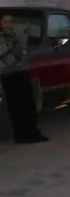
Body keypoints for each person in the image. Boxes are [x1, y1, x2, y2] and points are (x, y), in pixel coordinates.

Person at [0, 14, 48, 144]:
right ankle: (21, 136)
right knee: (16, 107)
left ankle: (32, 132)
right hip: (9, 74)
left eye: (10, 22)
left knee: (29, 105)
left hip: (22, 72)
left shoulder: (17, 36)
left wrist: (21, 41)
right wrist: (15, 43)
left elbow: (24, 53)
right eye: (5, 22)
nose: (8, 24)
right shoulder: (3, 38)